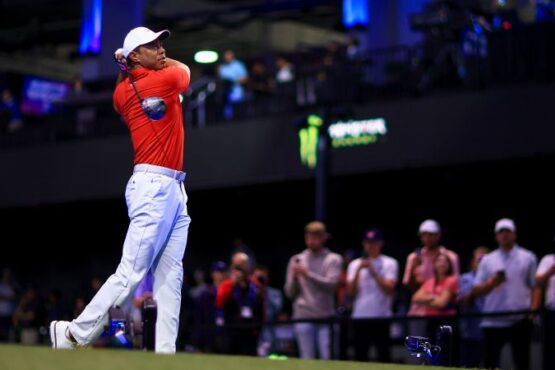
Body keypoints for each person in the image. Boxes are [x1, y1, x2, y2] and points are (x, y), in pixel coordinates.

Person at [49, 26, 191, 354]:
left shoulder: (124, 91)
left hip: (170, 187)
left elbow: (118, 97)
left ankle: (165, 354)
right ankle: (71, 334)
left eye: (160, 43)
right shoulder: (163, 78)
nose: (160, 49)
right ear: (135, 56)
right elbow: (184, 72)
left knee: (171, 275)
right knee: (131, 273)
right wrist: (129, 64)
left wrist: (124, 67)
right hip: (154, 186)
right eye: (150, 45)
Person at [466, 218, 537, 370]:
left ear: (514, 234)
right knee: (490, 363)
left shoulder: (528, 257)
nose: (504, 235)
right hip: (493, 319)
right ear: (496, 236)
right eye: (500, 232)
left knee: (522, 362)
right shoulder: (487, 260)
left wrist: (532, 312)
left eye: (508, 231)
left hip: (520, 318)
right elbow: (476, 290)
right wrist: (492, 283)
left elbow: (535, 286)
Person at [284, 221, 342, 359]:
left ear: (323, 238)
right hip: (303, 316)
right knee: (306, 359)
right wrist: (295, 278)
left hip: (325, 317)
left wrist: (308, 274)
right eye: (308, 237)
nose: (311, 240)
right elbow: (289, 292)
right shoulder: (297, 259)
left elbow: (332, 285)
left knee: (327, 358)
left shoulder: (333, 259)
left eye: (315, 237)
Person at [347, 228, 398, 363]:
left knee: (383, 356)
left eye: (374, 242)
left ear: (381, 243)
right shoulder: (354, 264)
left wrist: (373, 270)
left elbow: (390, 289)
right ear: (364, 244)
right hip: (360, 317)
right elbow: (350, 292)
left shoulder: (390, 263)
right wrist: (359, 269)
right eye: (368, 242)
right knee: (360, 357)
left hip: (381, 316)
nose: (371, 245)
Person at [403, 220, 459, 335]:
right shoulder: (413, 257)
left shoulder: (450, 257)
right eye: (423, 235)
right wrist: (414, 269)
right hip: (418, 312)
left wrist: (430, 299)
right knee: (420, 351)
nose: (427, 238)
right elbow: (413, 292)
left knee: (443, 349)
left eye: (431, 234)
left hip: (444, 314)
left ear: (439, 235)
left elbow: (454, 286)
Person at [411, 252, 460, 365]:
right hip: (432, 322)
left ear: (449, 265)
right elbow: (415, 298)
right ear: (434, 265)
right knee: (431, 355)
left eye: (445, 261)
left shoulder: (452, 280)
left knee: (447, 356)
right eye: (439, 261)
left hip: (448, 324)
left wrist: (426, 300)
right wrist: (434, 298)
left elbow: (442, 304)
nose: (442, 263)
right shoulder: (429, 281)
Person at [216, 252, 264, 356]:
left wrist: (258, 328)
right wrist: (232, 284)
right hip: (231, 330)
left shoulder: (254, 285)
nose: (240, 268)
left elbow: (262, 304)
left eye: (243, 264)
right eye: (237, 265)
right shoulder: (227, 284)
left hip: (250, 331)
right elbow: (219, 302)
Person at [459, 246, 489, 368]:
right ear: (472, 262)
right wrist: (480, 287)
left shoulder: (495, 279)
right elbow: (465, 301)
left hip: (492, 332)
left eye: (485, 260)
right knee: (468, 366)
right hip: (470, 333)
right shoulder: (466, 278)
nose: (482, 263)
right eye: (479, 259)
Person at [533, 244, 555, 370]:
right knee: (551, 352)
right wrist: (549, 272)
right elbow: (537, 283)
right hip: (552, 312)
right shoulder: (548, 259)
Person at [218, 50, 248, 120]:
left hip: (236, 92)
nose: (227, 57)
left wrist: (234, 81)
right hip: (225, 93)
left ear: (232, 56)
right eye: (225, 56)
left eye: (228, 55)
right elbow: (220, 79)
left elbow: (245, 79)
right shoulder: (222, 66)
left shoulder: (238, 65)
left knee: (238, 113)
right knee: (227, 114)